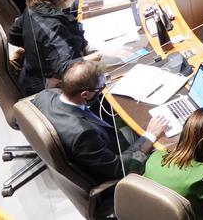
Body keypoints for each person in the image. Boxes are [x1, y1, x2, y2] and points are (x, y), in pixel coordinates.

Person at [31, 61, 166, 205]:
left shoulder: (44, 96)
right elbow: (120, 169)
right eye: (100, 88)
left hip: (98, 147)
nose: (103, 89)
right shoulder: (83, 135)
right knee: (164, 151)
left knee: (130, 126)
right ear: (85, 94)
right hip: (112, 169)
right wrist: (150, 136)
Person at [8, 0, 97, 95]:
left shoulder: (32, 8)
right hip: (47, 91)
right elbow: (65, 69)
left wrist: (39, 48)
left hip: (30, 76)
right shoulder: (55, 26)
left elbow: (13, 35)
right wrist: (98, 56)